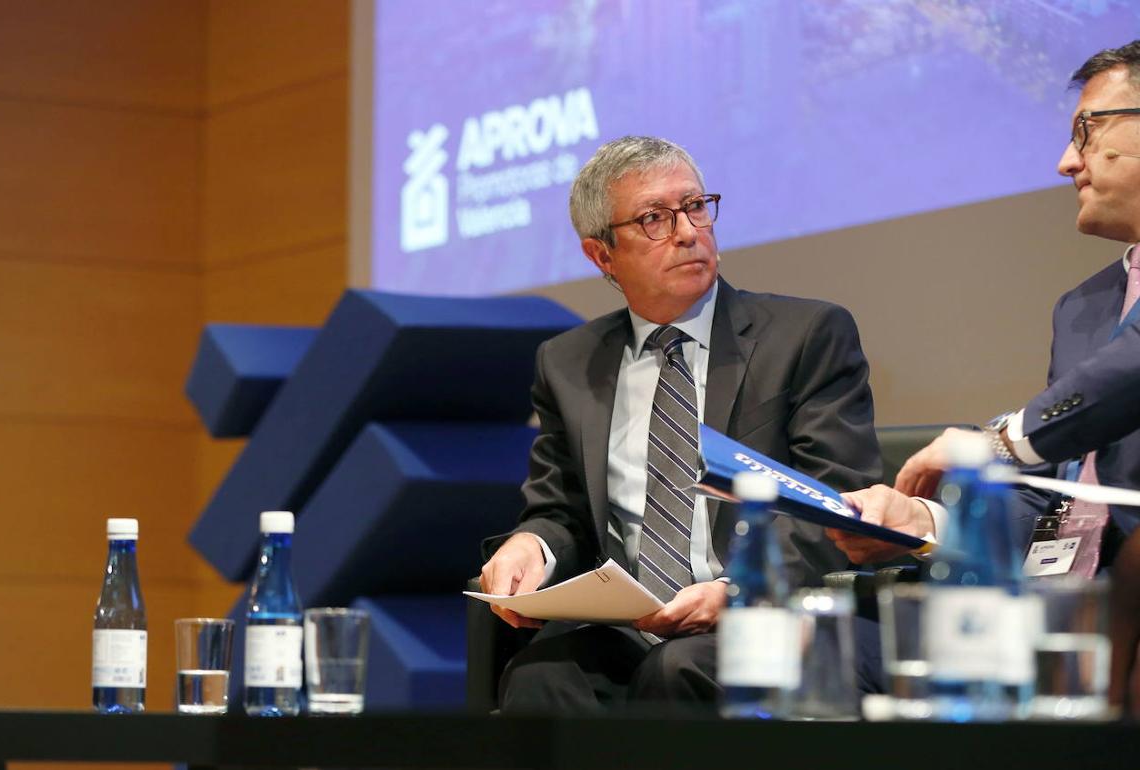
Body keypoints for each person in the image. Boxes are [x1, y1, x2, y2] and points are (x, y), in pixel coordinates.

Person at [478, 135, 882, 713]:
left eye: (695, 207)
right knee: (541, 676)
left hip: (758, 613)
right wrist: (532, 545)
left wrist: (738, 589)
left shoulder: (806, 335)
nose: (689, 231)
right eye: (654, 219)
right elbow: (560, 509)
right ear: (602, 255)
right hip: (626, 621)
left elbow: (836, 500)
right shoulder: (568, 363)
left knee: (678, 671)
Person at [829, 41, 1140, 572]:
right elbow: (1056, 496)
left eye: (1085, 131)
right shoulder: (1081, 308)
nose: (1066, 162)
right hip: (1065, 603)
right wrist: (926, 522)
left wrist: (994, 446)